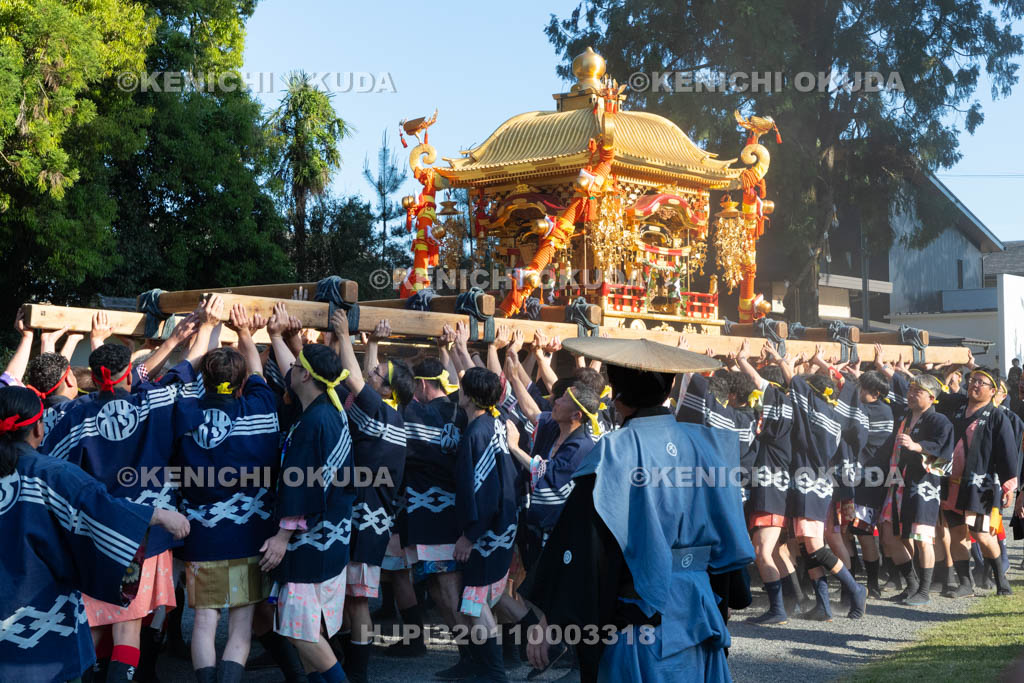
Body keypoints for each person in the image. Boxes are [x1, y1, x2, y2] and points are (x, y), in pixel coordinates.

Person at [517, 337, 754, 683]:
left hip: (640, 614)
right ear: (668, 388)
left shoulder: (615, 451)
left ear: (618, 397)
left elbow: (584, 544)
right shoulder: (706, 445)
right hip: (701, 610)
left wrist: (551, 618)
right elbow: (728, 529)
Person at [38, 300, 216, 682]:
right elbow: (190, 365)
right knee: (128, 629)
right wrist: (204, 327)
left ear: (92, 376)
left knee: (91, 626)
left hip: (96, 533)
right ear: (129, 376)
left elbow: (48, 465)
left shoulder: (75, 415)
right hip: (146, 533)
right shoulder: (155, 400)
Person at [174, 305, 281, 683]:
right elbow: (257, 372)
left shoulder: (185, 409)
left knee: (204, 623)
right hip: (250, 535)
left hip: (201, 536)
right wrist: (246, 332)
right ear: (241, 382)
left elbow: (188, 374)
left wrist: (209, 328)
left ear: (205, 378)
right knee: (240, 626)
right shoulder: (262, 407)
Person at [260, 336, 355, 683]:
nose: (291, 369)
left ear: (305, 376)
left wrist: (282, 537)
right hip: (331, 535)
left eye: (296, 365)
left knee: (297, 628)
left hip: (312, 541)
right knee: (308, 627)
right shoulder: (330, 409)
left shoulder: (316, 420)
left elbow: (303, 485)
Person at [330, 309, 409, 683]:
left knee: (358, 599)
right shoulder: (391, 415)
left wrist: (345, 334)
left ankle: (358, 671)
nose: (371, 372)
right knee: (351, 597)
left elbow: (357, 379)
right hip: (370, 519)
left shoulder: (377, 411)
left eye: (378, 374)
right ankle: (350, 663)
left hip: (365, 521)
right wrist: (373, 343)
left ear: (387, 390)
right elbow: (368, 379)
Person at [452, 366, 519, 683]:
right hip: (502, 525)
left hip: (488, 531)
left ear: (468, 396)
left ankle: (494, 674)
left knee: (474, 604)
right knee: (477, 602)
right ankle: (487, 670)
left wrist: (469, 535)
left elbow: (485, 492)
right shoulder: (492, 423)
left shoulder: (477, 432)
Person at [939, 366, 1018, 596]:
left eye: (981, 382)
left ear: (993, 391)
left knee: (982, 534)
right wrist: (949, 370)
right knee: (957, 534)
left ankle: (1001, 581)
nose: (974, 385)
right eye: (973, 380)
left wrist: (1008, 486)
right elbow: (938, 394)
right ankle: (965, 584)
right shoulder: (957, 407)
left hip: (980, 485)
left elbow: (1007, 452)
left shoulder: (997, 416)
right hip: (951, 483)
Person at [879, 374, 954, 605]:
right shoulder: (904, 416)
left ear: (931, 397)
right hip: (897, 481)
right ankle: (911, 585)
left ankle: (924, 589)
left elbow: (944, 448)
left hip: (923, 483)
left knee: (922, 537)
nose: (911, 395)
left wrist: (917, 446)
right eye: (910, 390)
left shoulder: (939, 420)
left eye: (917, 392)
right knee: (891, 534)